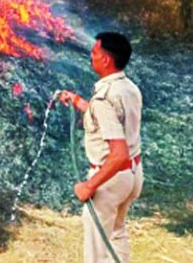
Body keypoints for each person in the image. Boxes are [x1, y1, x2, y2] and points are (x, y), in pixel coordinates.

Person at [58, 32, 143, 263]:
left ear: (106, 59)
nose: (91, 56)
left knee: (95, 252)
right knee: (116, 235)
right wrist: (77, 102)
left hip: (110, 179)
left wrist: (89, 185)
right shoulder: (128, 87)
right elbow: (109, 120)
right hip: (132, 175)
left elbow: (118, 154)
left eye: (94, 52)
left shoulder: (104, 98)